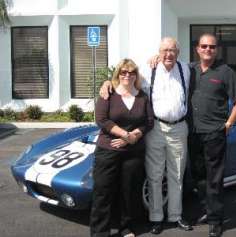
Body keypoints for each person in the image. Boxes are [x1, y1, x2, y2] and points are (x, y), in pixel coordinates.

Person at [99, 37, 193, 234]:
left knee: (177, 175)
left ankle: (175, 216)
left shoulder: (186, 69)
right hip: (155, 128)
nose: (169, 54)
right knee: (155, 175)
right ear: (158, 52)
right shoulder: (148, 70)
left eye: (173, 50)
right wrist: (107, 82)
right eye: (165, 50)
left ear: (179, 52)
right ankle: (156, 218)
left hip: (179, 128)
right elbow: (124, 82)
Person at [188, 33, 236, 237]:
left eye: (211, 47)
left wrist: (229, 123)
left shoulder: (225, 72)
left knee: (214, 179)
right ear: (197, 48)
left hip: (214, 133)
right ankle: (207, 209)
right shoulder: (189, 70)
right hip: (192, 133)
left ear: (216, 50)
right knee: (198, 177)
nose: (207, 50)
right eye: (204, 46)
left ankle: (215, 220)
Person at [90, 58, 154, 237]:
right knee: (103, 192)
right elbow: (102, 120)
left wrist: (133, 137)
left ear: (136, 75)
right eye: (124, 72)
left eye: (131, 72)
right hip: (108, 151)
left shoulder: (142, 96)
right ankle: (99, 232)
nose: (127, 75)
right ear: (118, 74)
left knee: (129, 192)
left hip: (133, 152)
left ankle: (125, 227)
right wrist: (125, 135)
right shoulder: (108, 94)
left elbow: (149, 122)